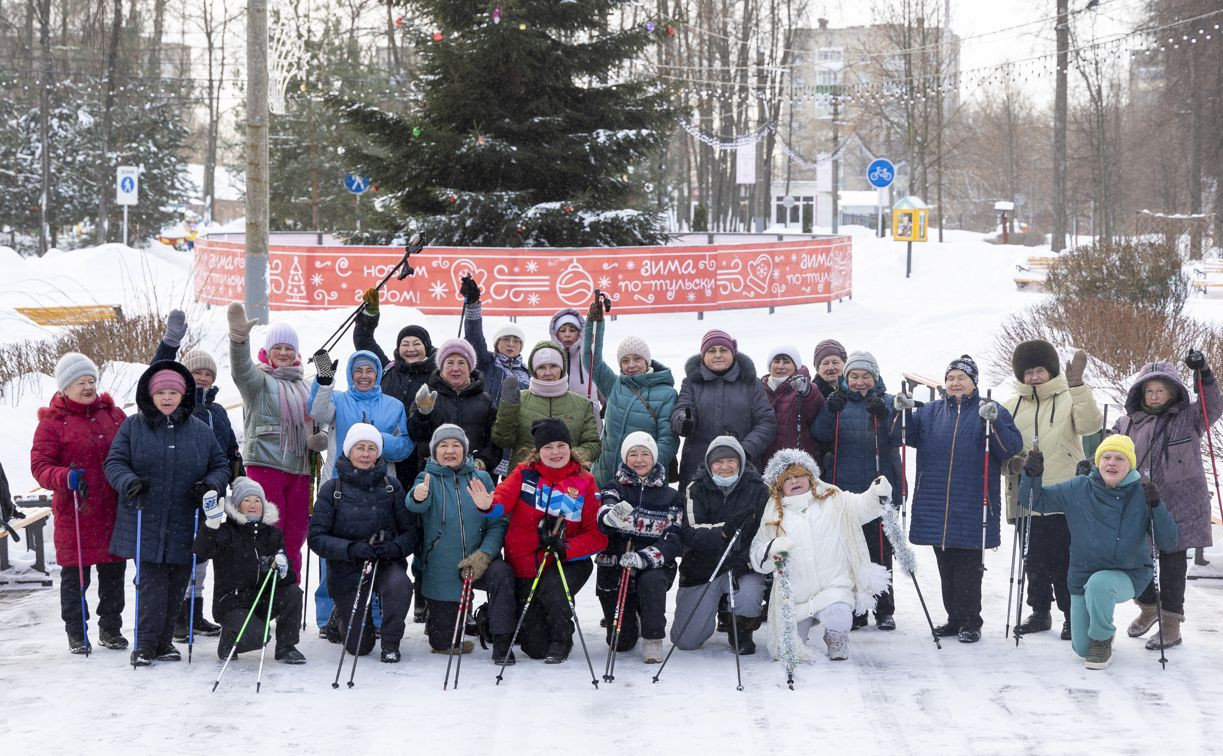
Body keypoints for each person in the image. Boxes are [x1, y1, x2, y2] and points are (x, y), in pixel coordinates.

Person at [104, 361, 230, 666]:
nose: (167, 398)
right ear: (151, 394)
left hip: (184, 518)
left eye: (174, 392)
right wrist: (129, 482)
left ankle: (164, 643)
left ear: (183, 394)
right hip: (145, 518)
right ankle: (145, 644)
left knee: (177, 584)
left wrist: (210, 485)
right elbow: (114, 463)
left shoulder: (199, 430)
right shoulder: (133, 426)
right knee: (151, 584)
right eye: (161, 392)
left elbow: (220, 465)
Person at [1018, 435, 1178, 669]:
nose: (1111, 463)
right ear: (1098, 462)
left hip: (1129, 573)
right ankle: (1101, 634)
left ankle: (1102, 639)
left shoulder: (1141, 493)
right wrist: (1032, 475)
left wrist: (1157, 506)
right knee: (1081, 648)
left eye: (1119, 458)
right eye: (1106, 457)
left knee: (1100, 584)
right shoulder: (1079, 487)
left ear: (1130, 464)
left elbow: (1169, 541)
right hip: (1082, 575)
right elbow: (1035, 501)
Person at [895, 354, 1021, 643]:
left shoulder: (990, 410)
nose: (955, 383)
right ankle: (953, 619)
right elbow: (904, 435)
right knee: (945, 564)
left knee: (968, 566)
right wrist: (900, 412)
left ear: (973, 382)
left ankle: (970, 621)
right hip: (935, 500)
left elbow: (1010, 447)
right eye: (950, 378)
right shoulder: (930, 412)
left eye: (961, 378)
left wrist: (995, 423)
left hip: (972, 501)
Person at [1112, 352, 1222, 650]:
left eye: (1161, 389)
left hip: (1180, 504)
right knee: (1133, 557)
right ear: (1139, 392)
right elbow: (1110, 455)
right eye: (1149, 390)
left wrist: (1205, 374)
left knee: (1172, 565)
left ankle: (1171, 624)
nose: (1155, 395)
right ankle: (1148, 607)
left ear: (1173, 392)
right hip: (1137, 501)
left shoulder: (1188, 418)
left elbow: (1213, 404)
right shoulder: (1126, 423)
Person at [477, 419, 607, 663]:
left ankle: (562, 638)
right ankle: (501, 616)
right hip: (526, 567)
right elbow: (501, 501)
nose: (555, 452)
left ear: (570, 447)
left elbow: (597, 536)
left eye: (561, 445)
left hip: (565, 562)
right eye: (548, 447)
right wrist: (487, 505)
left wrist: (565, 548)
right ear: (538, 451)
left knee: (554, 590)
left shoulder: (585, 481)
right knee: (535, 648)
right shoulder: (524, 475)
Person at [750, 449, 892, 661]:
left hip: (832, 587)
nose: (794, 481)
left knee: (839, 615)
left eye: (799, 475)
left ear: (810, 477)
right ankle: (802, 628)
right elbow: (757, 555)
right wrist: (772, 548)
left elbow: (861, 507)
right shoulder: (773, 514)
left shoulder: (832, 499)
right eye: (787, 479)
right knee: (788, 651)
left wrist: (875, 494)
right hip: (795, 596)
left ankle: (837, 636)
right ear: (779, 486)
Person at [1002, 340, 1102, 641]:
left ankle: (1072, 615)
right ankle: (1040, 611)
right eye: (1028, 372)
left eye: (1040, 370)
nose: (1034, 377)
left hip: (1063, 495)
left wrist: (1078, 387)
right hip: (1027, 495)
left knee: (1065, 560)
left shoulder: (1070, 398)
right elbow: (1001, 452)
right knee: (1033, 560)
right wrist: (1016, 465)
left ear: (1051, 371)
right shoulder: (1010, 406)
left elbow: (1090, 425)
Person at [31, 352, 129, 653]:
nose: (87, 387)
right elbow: (40, 466)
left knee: (114, 575)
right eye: (79, 382)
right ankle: (77, 632)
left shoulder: (114, 416)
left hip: (112, 510)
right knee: (76, 579)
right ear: (64, 387)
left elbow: (130, 451)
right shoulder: (52, 423)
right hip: (76, 511)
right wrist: (64, 477)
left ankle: (110, 629)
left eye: (91, 381)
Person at [151, 309, 237, 641]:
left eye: (207, 373)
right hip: (179, 494)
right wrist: (169, 344)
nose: (202, 378)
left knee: (203, 552)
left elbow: (230, 450)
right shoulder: (176, 406)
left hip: (211, 493)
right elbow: (156, 374)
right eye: (196, 372)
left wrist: (233, 476)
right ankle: (176, 616)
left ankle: (195, 613)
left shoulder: (217, 411)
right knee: (182, 553)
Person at [307, 423, 419, 662]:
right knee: (361, 646)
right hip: (347, 570)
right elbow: (316, 538)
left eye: (371, 448)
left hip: (384, 564)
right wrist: (350, 549)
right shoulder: (332, 490)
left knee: (400, 585)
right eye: (360, 448)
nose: (366, 454)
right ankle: (340, 616)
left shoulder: (391, 486)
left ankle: (391, 643)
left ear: (378, 452)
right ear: (349, 451)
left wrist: (395, 547)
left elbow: (410, 532)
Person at [811, 350, 903, 630]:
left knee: (880, 549)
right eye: (854, 376)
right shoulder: (837, 403)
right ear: (846, 378)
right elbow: (821, 435)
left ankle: (884, 608)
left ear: (874, 377)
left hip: (878, 485)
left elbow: (899, 437)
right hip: (846, 489)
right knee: (851, 549)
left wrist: (887, 414)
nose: (860, 382)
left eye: (865, 376)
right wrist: (830, 409)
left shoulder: (885, 401)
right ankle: (858, 608)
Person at [407, 425, 514, 661]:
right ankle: (447, 615)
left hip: (479, 562)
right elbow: (414, 503)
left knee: (502, 573)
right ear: (435, 451)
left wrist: (484, 555)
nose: (450, 450)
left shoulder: (482, 478)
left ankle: (502, 638)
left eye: (456, 445)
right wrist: (418, 495)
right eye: (443, 445)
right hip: (442, 567)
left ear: (465, 450)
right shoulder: (427, 478)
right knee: (444, 643)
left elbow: (497, 522)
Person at [227, 303, 313, 583]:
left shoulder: (304, 385)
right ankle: (263, 594)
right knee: (268, 532)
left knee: (296, 534)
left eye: (289, 348)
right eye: (278, 348)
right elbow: (240, 370)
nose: (284, 353)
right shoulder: (258, 381)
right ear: (268, 351)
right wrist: (239, 340)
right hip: (266, 465)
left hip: (299, 469)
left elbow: (319, 416)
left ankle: (290, 591)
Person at [672, 436, 769, 654]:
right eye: (718, 461)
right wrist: (723, 531)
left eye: (731, 460)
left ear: (740, 462)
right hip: (703, 567)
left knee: (749, 591)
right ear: (709, 464)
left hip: (742, 566)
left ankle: (741, 630)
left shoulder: (759, 489)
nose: (724, 466)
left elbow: (764, 533)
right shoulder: (695, 488)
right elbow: (689, 532)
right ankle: (711, 608)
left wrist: (742, 560)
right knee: (685, 641)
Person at [192, 476, 305, 664]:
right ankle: (230, 639)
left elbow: (289, 579)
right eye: (247, 500)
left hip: (261, 599)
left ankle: (287, 647)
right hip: (232, 603)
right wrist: (210, 525)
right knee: (259, 636)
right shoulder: (226, 531)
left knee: (293, 592)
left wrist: (283, 570)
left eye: (257, 500)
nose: (253, 505)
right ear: (237, 505)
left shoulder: (272, 534)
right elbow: (201, 551)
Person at [595, 432, 684, 663]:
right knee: (620, 643)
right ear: (625, 458)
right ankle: (630, 618)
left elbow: (673, 539)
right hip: (617, 561)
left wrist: (643, 558)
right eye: (632, 454)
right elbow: (605, 508)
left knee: (651, 580)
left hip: (654, 561)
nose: (639, 459)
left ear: (654, 458)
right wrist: (609, 517)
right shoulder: (614, 487)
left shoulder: (671, 497)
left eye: (645, 453)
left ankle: (652, 638)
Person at [582, 302, 678, 486]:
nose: (631, 365)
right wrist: (595, 324)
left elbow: (668, 439)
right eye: (625, 360)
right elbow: (591, 360)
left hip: (643, 481)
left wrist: (650, 471)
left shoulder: (667, 394)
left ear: (647, 361)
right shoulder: (615, 385)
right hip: (605, 476)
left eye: (637, 359)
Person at [670, 330, 777, 492]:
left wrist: (744, 450)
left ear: (733, 354)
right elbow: (681, 409)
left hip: (743, 467)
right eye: (712, 351)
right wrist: (683, 420)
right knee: (697, 514)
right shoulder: (691, 383)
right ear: (703, 356)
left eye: (723, 350)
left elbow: (766, 421)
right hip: (698, 466)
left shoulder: (751, 383)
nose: (718, 355)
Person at [352, 287, 436, 484]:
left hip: (423, 453)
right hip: (389, 449)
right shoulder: (388, 368)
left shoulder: (437, 374)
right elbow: (363, 340)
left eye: (417, 343)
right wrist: (369, 315)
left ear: (427, 347)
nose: (411, 348)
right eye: (405, 344)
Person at [492, 340, 601, 470]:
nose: (548, 372)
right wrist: (508, 408)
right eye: (542, 367)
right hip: (526, 478)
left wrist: (568, 457)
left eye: (553, 366)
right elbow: (503, 441)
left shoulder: (582, 404)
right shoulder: (520, 399)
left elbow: (593, 444)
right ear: (534, 370)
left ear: (562, 368)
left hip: (569, 479)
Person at [460, 279, 530, 477]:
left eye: (516, 341)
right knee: (483, 489)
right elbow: (474, 337)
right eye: (506, 339)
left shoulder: (528, 373)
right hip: (485, 439)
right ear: (497, 343)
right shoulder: (486, 362)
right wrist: (473, 304)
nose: (511, 344)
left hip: (513, 442)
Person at [408, 338, 500, 473]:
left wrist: (482, 462)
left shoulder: (485, 400)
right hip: (435, 475)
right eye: (450, 362)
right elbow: (415, 433)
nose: (455, 368)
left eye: (461, 363)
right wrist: (423, 414)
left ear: (470, 367)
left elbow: (494, 442)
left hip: (475, 476)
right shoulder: (427, 396)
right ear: (441, 367)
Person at [760, 345, 824, 464]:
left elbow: (812, 406)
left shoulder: (806, 388)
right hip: (765, 462)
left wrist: (806, 392)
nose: (780, 366)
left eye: (786, 362)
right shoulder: (759, 390)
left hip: (797, 464)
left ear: (795, 366)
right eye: (776, 361)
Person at [549, 307, 603, 428]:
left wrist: (608, 403)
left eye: (572, 330)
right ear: (556, 334)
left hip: (590, 420)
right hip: (560, 419)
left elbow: (601, 382)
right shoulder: (551, 357)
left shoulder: (589, 355)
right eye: (562, 331)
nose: (567, 335)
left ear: (580, 332)